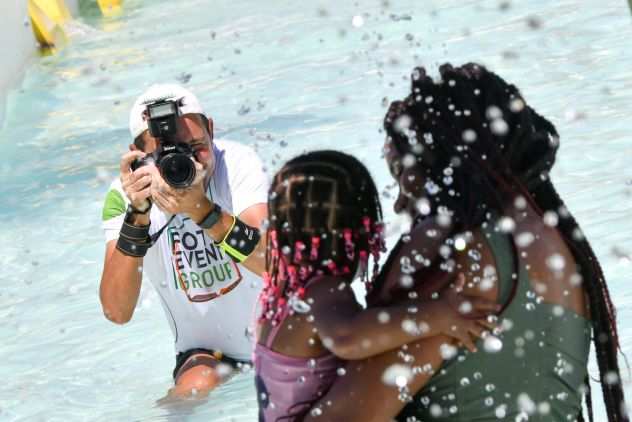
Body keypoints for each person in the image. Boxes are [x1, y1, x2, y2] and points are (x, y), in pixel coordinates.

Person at [305, 63, 628, 421]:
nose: (398, 202)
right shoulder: (559, 246)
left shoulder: (459, 255)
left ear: (440, 158)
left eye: (402, 173)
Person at [254, 150, 498, 421]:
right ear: (360, 231)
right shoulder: (323, 291)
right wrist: (438, 315)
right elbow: (348, 337)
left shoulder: (279, 297)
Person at [99, 84, 268, 398]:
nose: (186, 161)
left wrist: (201, 210)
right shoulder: (125, 195)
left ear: (212, 130)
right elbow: (116, 312)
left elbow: (274, 264)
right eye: (164, 155)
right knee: (192, 390)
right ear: (136, 156)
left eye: (195, 145)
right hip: (206, 353)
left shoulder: (237, 164)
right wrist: (137, 215)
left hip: (279, 339)